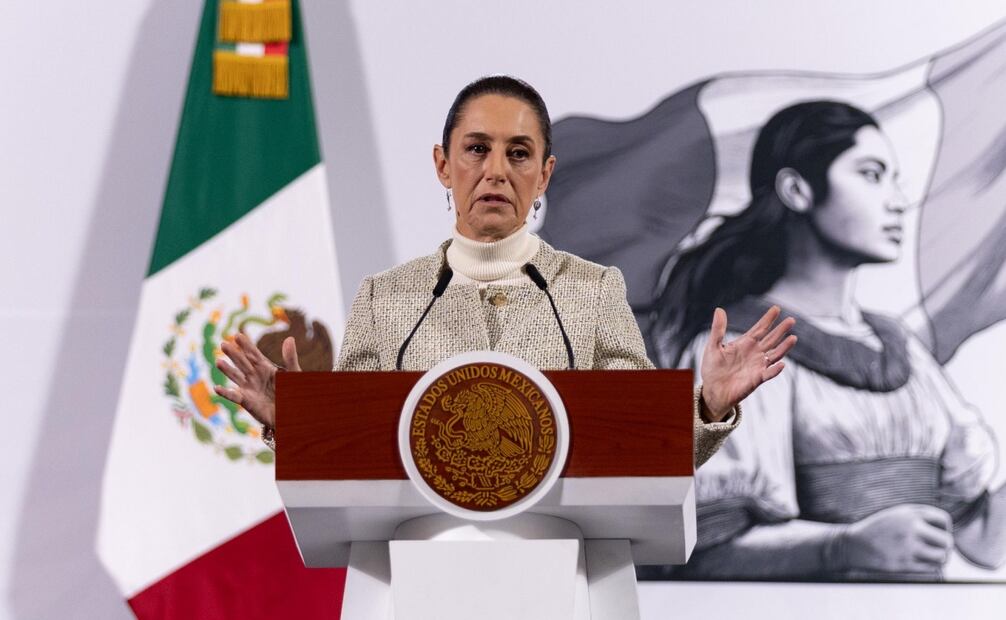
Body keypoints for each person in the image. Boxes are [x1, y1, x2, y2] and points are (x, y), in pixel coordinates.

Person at [212, 75, 796, 469]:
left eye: (518, 153)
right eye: (476, 149)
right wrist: (295, 427)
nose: (496, 171)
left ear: (545, 174)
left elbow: (645, 450)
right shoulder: (385, 299)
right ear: (443, 165)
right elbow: (353, 460)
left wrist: (709, 407)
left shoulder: (594, 293)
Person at [649, 100, 1005, 579]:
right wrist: (843, 547)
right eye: (872, 175)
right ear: (797, 190)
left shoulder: (901, 349)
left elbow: (979, 537)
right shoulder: (741, 350)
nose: (898, 200)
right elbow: (705, 548)